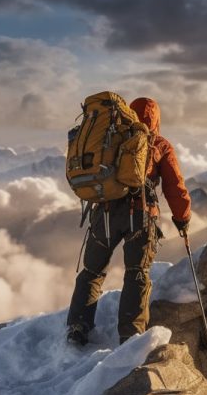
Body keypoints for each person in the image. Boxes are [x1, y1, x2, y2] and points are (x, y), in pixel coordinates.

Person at [65, 97, 191, 346]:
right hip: (139, 216)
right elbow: (175, 187)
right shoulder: (159, 144)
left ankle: (78, 327)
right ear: (156, 120)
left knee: (92, 271)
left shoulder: (112, 139)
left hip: (105, 213)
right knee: (137, 272)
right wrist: (182, 219)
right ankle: (130, 335)